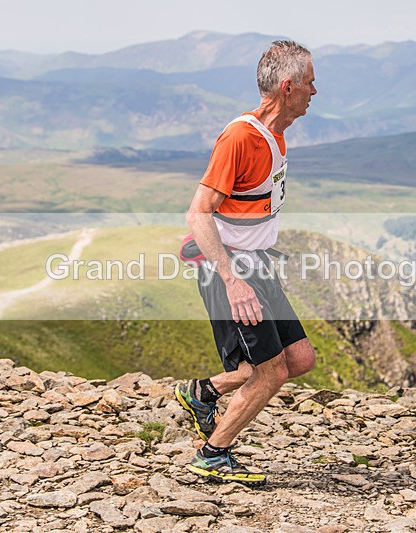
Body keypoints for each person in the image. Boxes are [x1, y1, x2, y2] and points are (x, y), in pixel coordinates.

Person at [175, 40, 318, 485]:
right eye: (310, 82)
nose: (316, 91)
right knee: (269, 371)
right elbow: (198, 212)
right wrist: (232, 280)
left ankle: (203, 392)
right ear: (288, 86)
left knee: (299, 359)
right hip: (231, 271)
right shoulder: (240, 136)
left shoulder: (276, 134)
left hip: (256, 264)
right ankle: (214, 454)